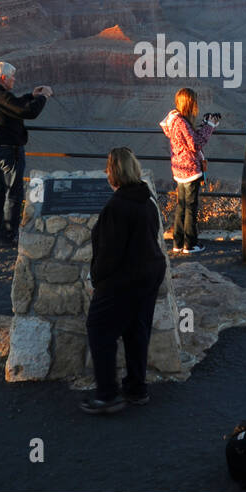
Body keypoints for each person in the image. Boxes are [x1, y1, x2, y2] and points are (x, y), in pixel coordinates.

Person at [81, 147, 167, 415]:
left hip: (125, 280)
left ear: (113, 173)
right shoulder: (146, 198)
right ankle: (136, 388)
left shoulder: (116, 207)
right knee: (136, 331)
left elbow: (109, 254)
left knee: (99, 328)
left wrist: (97, 279)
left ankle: (107, 396)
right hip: (150, 274)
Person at [0, 61, 51, 247]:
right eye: (12, 77)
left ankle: (1, 231)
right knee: (13, 193)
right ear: (4, 78)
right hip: (8, 151)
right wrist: (43, 98)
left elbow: (13, 105)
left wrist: (30, 95)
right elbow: (28, 112)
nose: (14, 80)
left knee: (1, 192)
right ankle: (9, 236)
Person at [159, 87, 219, 255]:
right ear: (189, 103)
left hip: (179, 170)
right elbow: (195, 144)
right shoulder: (181, 122)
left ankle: (178, 243)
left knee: (181, 206)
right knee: (190, 208)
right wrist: (210, 127)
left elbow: (188, 139)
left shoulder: (174, 120)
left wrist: (204, 125)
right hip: (190, 170)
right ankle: (190, 244)